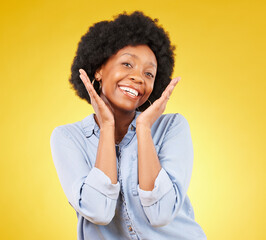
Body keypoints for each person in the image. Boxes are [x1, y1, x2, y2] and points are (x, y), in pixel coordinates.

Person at [50, 11, 207, 240]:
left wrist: (143, 128)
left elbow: (162, 214)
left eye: (149, 73)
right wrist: (106, 127)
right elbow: (98, 211)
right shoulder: (68, 138)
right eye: (127, 64)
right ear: (99, 69)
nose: (139, 78)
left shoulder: (172, 127)